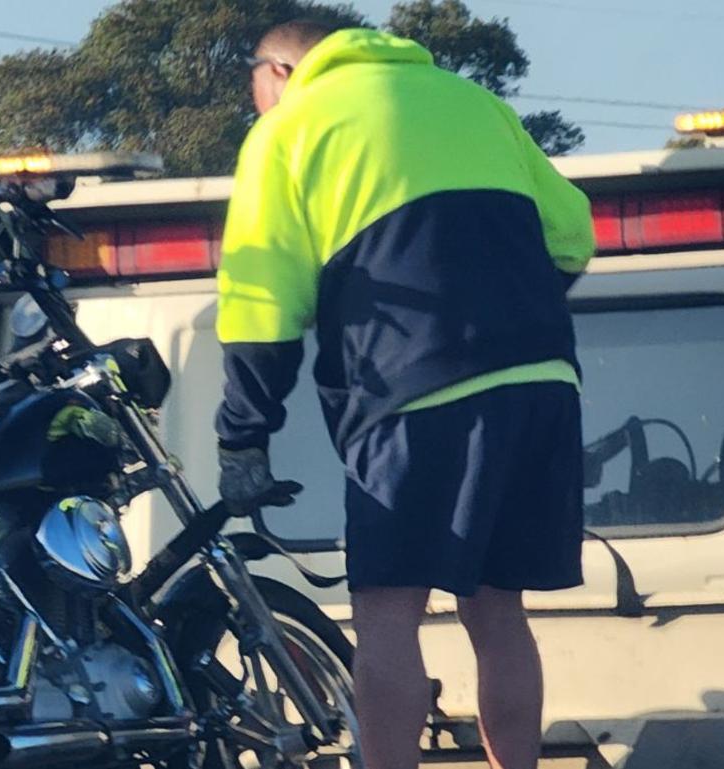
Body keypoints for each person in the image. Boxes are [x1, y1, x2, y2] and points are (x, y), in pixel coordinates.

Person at [214, 19, 595, 769]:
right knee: (498, 609)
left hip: (414, 397)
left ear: (282, 71)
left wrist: (243, 435)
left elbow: (262, 304)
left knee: (388, 615)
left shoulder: (292, 128)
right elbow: (572, 233)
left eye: (252, 84)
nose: (253, 103)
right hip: (540, 384)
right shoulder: (473, 101)